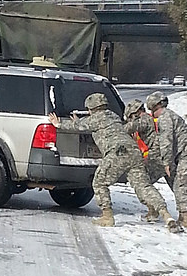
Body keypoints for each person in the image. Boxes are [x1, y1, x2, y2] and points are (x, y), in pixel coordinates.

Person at [48, 92, 179, 232]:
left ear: (91, 108)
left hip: (117, 152)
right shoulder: (113, 115)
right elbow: (86, 124)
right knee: (144, 186)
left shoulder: (95, 119)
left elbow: (78, 126)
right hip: (134, 152)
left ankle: (107, 216)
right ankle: (166, 215)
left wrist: (58, 123)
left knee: (99, 182)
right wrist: (79, 121)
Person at [146, 91, 187, 229]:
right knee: (180, 185)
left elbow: (166, 142)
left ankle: (186, 220)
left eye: (152, 111)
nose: (152, 115)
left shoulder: (165, 118)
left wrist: (167, 163)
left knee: (181, 186)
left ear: (156, 107)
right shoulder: (169, 115)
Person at [124, 98, 167, 221]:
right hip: (161, 156)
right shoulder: (150, 118)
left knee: (142, 183)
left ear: (135, 113)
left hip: (157, 158)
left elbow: (128, 128)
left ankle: (156, 210)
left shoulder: (144, 120)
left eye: (131, 116)